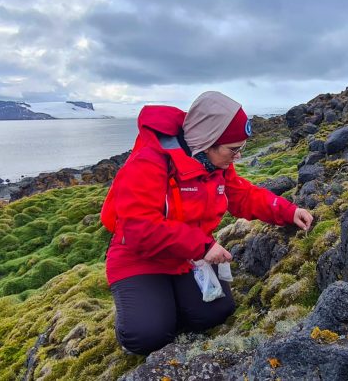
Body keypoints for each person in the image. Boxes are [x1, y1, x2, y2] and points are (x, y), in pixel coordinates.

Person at [104, 91, 314, 355]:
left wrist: (287, 210)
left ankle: (163, 304)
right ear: (208, 140)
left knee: (215, 314)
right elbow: (139, 228)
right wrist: (202, 246)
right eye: (233, 150)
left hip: (186, 257)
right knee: (147, 336)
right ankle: (141, 311)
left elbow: (243, 195)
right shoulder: (148, 163)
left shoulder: (215, 165)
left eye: (242, 149)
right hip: (139, 258)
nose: (237, 157)